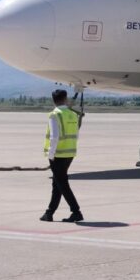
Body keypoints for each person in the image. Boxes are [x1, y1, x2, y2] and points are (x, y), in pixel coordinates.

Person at [40, 89, 84, 222]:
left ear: (53, 100)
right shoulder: (72, 114)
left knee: (62, 184)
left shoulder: (55, 115)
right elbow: (76, 134)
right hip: (70, 153)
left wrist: (50, 155)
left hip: (58, 154)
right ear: (65, 99)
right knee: (57, 183)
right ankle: (49, 212)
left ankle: (76, 211)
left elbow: (54, 137)